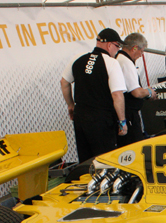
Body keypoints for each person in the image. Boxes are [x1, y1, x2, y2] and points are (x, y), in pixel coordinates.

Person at [60, 28, 127, 163]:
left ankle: (87, 182)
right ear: (110, 45)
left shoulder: (77, 58)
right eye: (117, 46)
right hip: (101, 118)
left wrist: (70, 105)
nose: (117, 51)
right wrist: (122, 121)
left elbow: (64, 82)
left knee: (86, 160)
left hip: (81, 116)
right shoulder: (111, 63)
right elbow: (117, 95)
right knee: (105, 160)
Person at [116, 33, 158, 147]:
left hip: (124, 113)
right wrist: (149, 92)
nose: (141, 55)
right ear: (134, 48)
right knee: (135, 147)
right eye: (141, 51)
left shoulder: (118, 58)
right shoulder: (126, 62)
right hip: (129, 115)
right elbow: (136, 92)